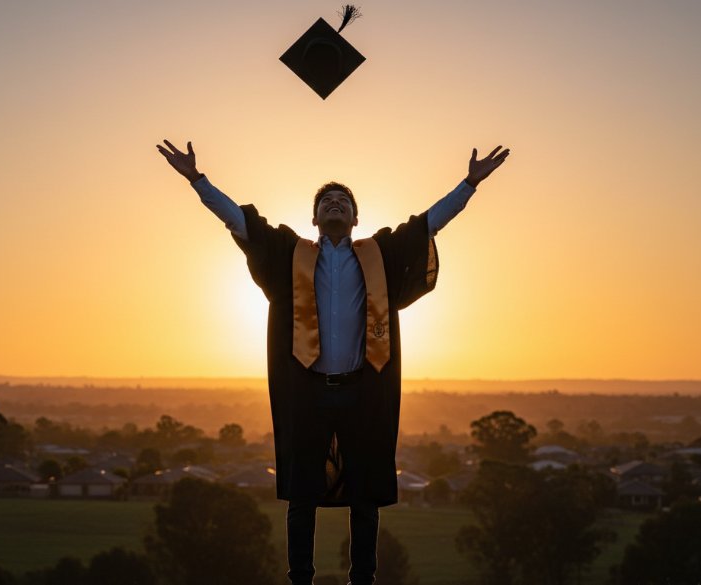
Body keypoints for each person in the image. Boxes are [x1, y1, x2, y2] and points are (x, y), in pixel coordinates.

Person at [157, 139, 510, 585]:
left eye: (343, 201)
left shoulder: (378, 254)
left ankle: (363, 579)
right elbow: (240, 221)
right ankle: (299, 579)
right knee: (302, 496)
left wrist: (469, 185)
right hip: (307, 392)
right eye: (327, 201)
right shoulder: (291, 254)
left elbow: (428, 224)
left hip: (364, 391)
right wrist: (196, 179)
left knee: (364, 497)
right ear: (315, 218)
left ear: (356, 217)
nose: (335, 205)